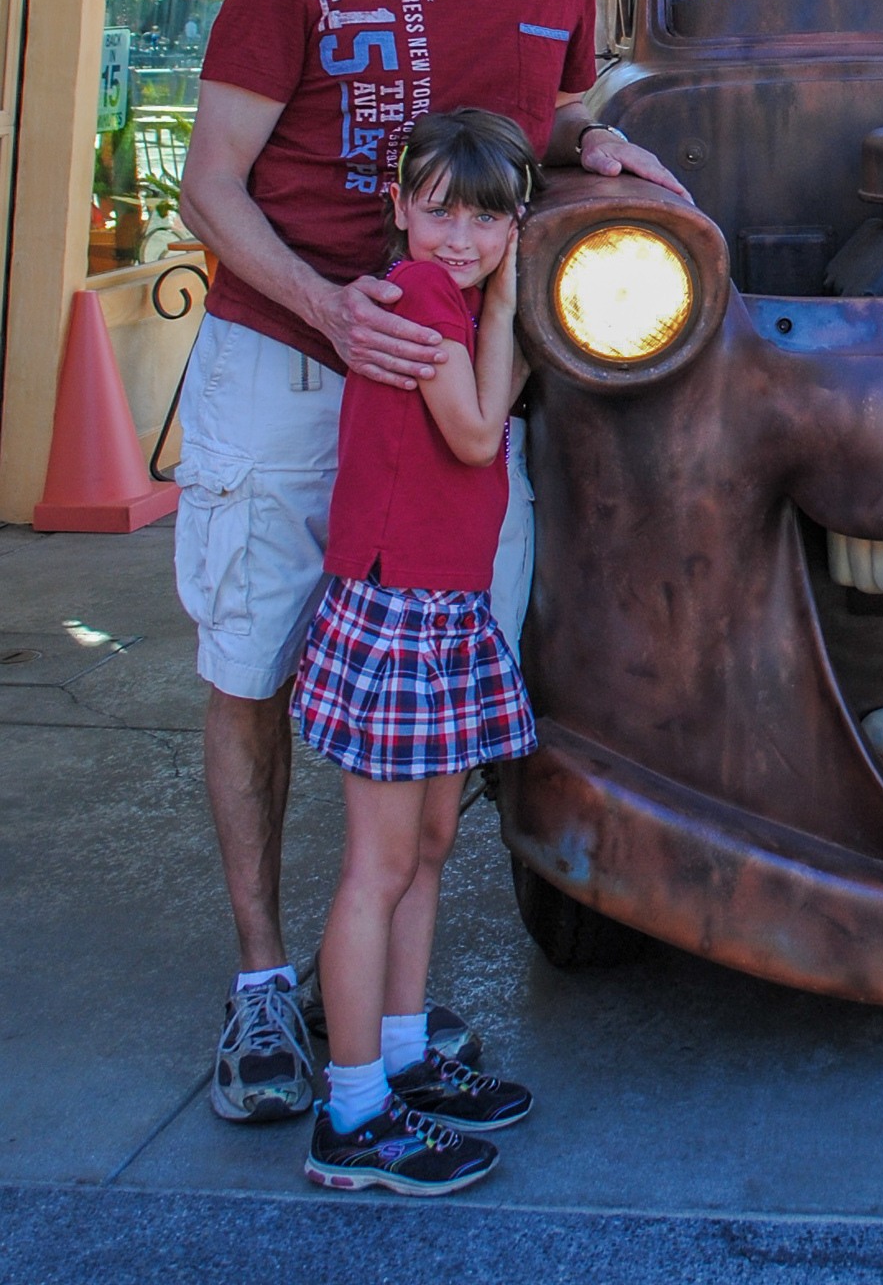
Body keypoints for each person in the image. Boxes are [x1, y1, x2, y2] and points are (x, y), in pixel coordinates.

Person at [175, 0, 690, 1125]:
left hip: (459, 385)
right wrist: (329, 304)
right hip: (286, 366)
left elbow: (558, 108)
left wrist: (613, 149)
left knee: (441, 690)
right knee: (252, 666)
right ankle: (269, 987)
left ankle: (387, 1018)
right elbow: (209, 182)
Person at [298, 111, 539, 1196]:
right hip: (401, 611)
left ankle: (400, 1053)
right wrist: (510, 303)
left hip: (439, 606)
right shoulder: (426, 295)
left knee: (432, 842)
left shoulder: (444, 291)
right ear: (398, 206)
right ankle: (351, 1112)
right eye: (437, 207)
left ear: (511, 222)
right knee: (382, 864)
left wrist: (503, 296)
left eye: (486, 215)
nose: (459, 233)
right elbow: (481, 429)